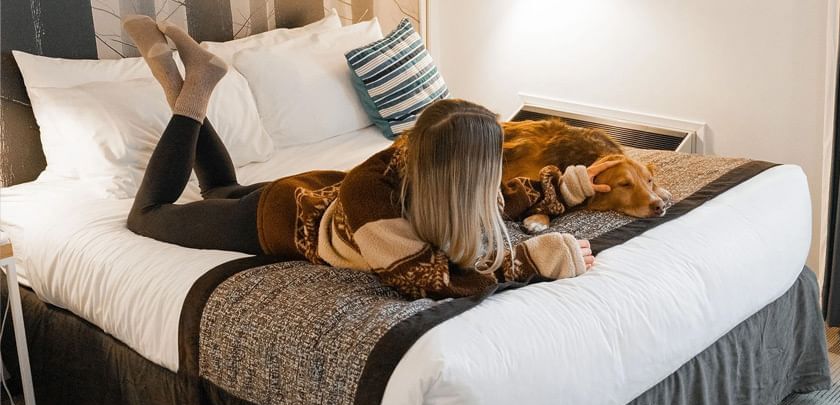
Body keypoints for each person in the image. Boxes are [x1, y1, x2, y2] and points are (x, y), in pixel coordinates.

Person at [122, 16, 615, 299]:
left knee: (218, 191)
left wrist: (566, 188)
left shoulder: (440, 177)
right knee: (147, 218)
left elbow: (502, 199)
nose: (497, 177)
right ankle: (189, 86)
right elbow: (425, 276)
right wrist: (529, 259)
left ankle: (186, 81)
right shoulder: (373, 196)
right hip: (278, 218)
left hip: (317, 190)